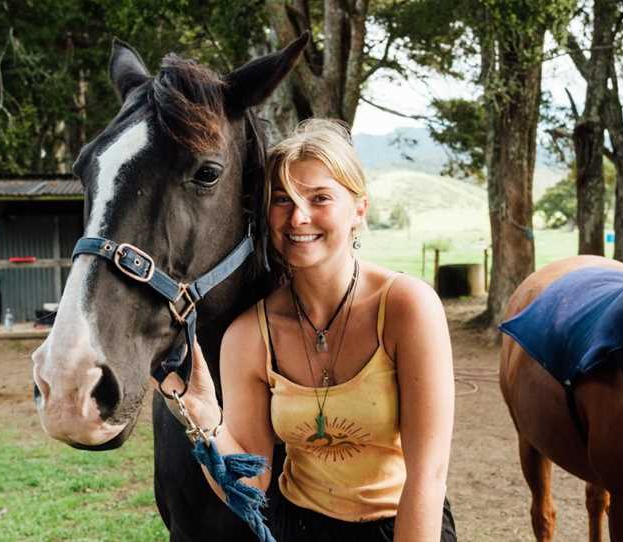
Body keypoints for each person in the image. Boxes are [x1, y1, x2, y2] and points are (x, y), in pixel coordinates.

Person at [165, 119, 456, 541]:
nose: (298, 217)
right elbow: (251, 486)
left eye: (320, 197)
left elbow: (428, 475)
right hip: (296, 527)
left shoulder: (407, 308)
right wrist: (204, 415)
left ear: (359, 209)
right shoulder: (250, 335)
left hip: (406, 523)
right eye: (282, 200)